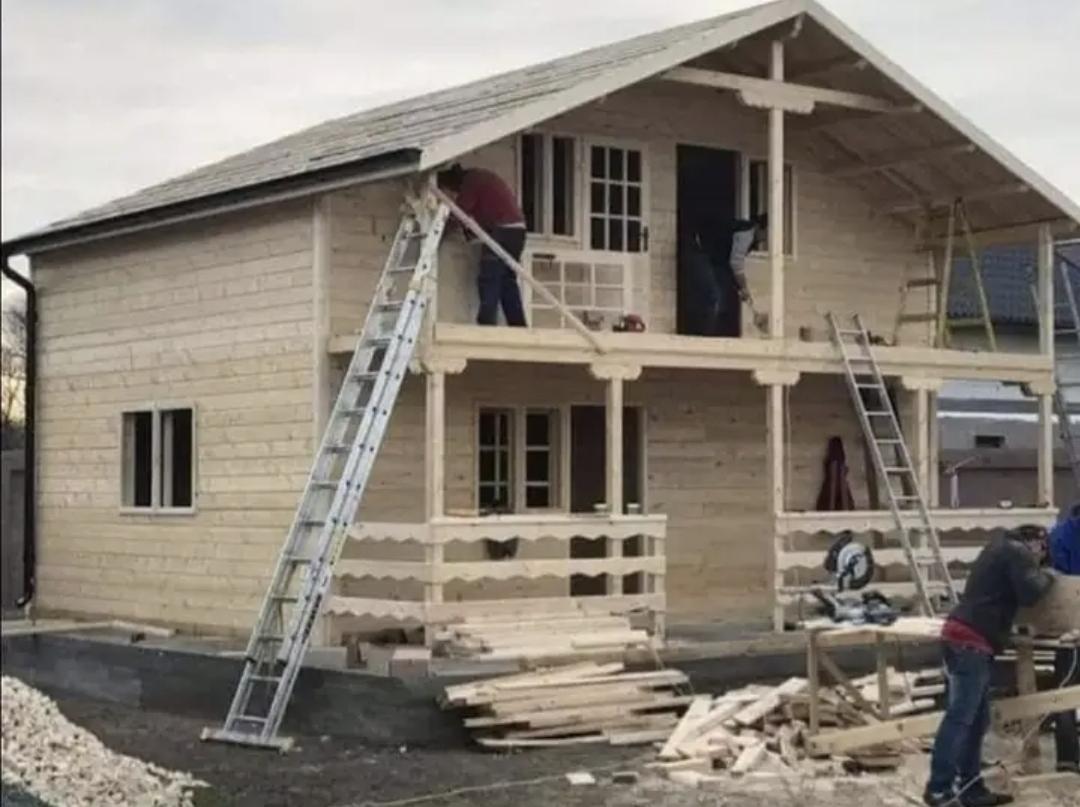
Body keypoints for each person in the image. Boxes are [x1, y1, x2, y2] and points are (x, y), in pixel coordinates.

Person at [924, 525, 1056, 807]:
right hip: (971, 641)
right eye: (1042, 552)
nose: (1040, 558)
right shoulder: (1017, 551)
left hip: (965, 636)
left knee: (975, 721)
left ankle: (971, 788)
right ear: (1036, 543)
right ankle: (938, 788)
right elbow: (1031, 592)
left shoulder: (998, 547)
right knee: (961, 718)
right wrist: (1049, 576)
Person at [436, 163, 527, 327]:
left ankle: (486, 323)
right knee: (507, 279)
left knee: (489, 275)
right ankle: (518, 324)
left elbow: (458, 214)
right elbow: (473, 219)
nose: (453, 196)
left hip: (502, 230)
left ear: (453, 183)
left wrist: (439, 235)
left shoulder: (470, 182)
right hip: (517, 231)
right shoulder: (482, 179)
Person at [1048, 504, 1080, 773]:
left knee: (1065, 691)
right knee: (1066, 692)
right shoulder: (1061, 535)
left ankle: (1067, 759)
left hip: (1068, 623)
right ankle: (1067, 759)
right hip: (1070, 623)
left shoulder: (1059, 533)